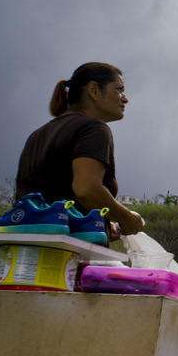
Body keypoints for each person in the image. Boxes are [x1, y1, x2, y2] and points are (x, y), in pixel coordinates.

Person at [14, 62, 145, 238]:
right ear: (94, 90)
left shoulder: (37, 135)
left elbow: (48, 200)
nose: (125, 98)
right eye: (119, 89)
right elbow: (87, 191)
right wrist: (127, 218)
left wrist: (103, 225)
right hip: (64, 257)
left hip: (20, 248)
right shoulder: (94, 128)